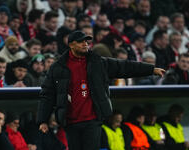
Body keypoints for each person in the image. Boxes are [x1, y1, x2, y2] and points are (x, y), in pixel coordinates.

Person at [37, 30, 165, 150]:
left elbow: (124, 67)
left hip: (92, 120)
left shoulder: (97, 62)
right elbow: (47, 94)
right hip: (70, 121)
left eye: (86, 41)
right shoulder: (58, 67)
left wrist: (151, 69)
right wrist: (43, 120)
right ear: (71, 44)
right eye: (81, 42)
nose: (85, 44)